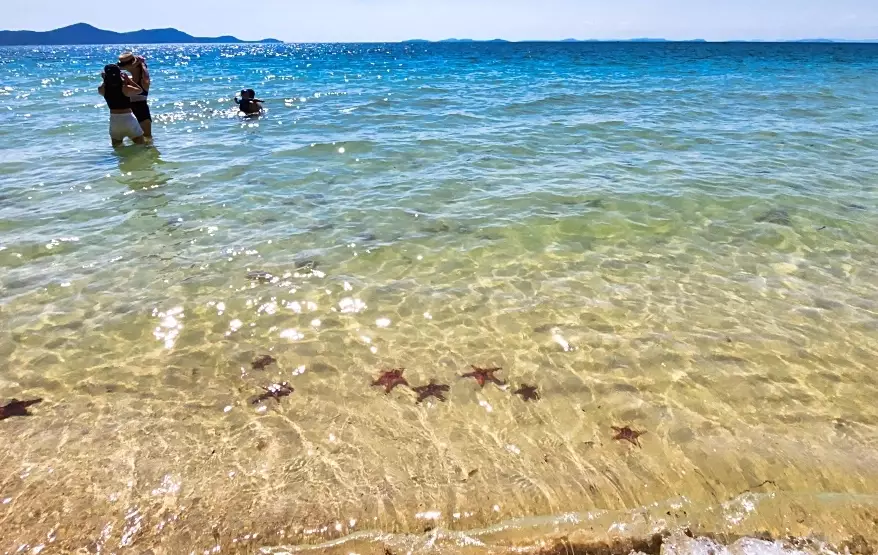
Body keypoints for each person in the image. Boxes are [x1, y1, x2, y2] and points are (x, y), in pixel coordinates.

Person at [98, 64, 145, 147]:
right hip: (128, 119)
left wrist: (104, 79)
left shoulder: (102, 89)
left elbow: (104, 86)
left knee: (117, 149)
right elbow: (140, 90)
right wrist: (128, 80)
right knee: (141, 145)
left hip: (114, 121)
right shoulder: (125, 88)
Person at [117, 51, 152, 139]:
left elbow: (146, 77)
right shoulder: (127, 79)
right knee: (133, 140)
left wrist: (142, 64)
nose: (123, 67)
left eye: (125, 64)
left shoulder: (143, 81)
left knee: (147, 138)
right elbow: (109, 72)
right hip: (128, 113)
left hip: (142, 112)